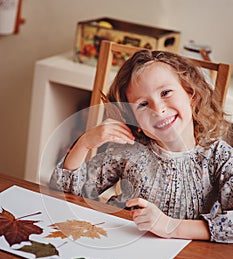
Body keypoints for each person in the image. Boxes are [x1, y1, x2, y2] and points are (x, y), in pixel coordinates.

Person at [50, 50, 233, 243]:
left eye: (166, 93)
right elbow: (62, 193)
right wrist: (84, 143)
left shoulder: (219, 157)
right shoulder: (130, 150)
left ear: (191, 94)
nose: (158, 109)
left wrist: (171, 227)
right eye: (143, 104)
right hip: (120, 243)